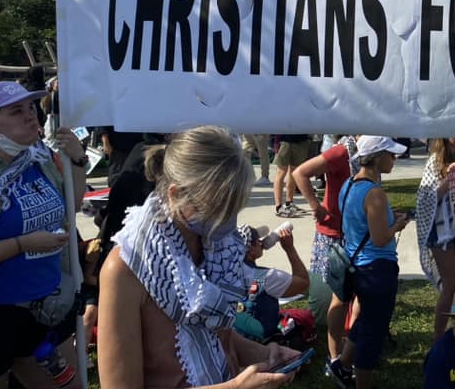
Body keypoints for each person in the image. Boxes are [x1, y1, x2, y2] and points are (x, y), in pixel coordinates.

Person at [97, 126, 302, 388]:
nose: (228, 220)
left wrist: (264, 354)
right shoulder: (126, 268)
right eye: (219, 207)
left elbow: (213, 331)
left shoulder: (213, 244)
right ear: (176, 194)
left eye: (234, 206)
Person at [0, 80, 89, 388]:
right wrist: (23, 244)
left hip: (46, 309)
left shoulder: (36, 158)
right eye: (16, 111)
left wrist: (78, 160)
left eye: (30, 107)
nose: (30, 115)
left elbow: (71, 205)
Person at [326, 136, 410, 389]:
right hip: (377, 269)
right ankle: (360, 381)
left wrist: (387, 218)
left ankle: (341, 364)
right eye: (391, 154)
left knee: (366, 321)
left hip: (357, 265)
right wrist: (397, 225)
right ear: (377, 157)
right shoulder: (375, 193)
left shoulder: (349, 185)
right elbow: (380, 237)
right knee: (373, 331)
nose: (395, 159)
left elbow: (358, 223)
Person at [291, 134, 355, 358]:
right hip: (333, 234)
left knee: (349, 294)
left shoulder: (363, 153)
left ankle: (346, 341)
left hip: (351, 232)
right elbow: (299, 172)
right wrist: (314, 205)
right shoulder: (341, 152)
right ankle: (336, 351)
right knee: (334, 298)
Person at [416, 137, 455, 341]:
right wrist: (448, 181)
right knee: (450, 286)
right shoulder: (434, 161)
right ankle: (439, 338)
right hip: (441, 230)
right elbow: (426, 199)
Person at [233, 224, 310, 345]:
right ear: (251, 249)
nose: (261, 242)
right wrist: (289, 248)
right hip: (262, 343)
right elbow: (303, 282)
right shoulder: (269, 277)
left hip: (235, 339)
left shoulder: (223, 273)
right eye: (258, 240)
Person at [273, 134, 311, 217]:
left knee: (294, 173)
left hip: (302, 140)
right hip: (284, 140)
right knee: (281, 172)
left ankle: (289, 203)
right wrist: (276, 142)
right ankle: (278, 207)